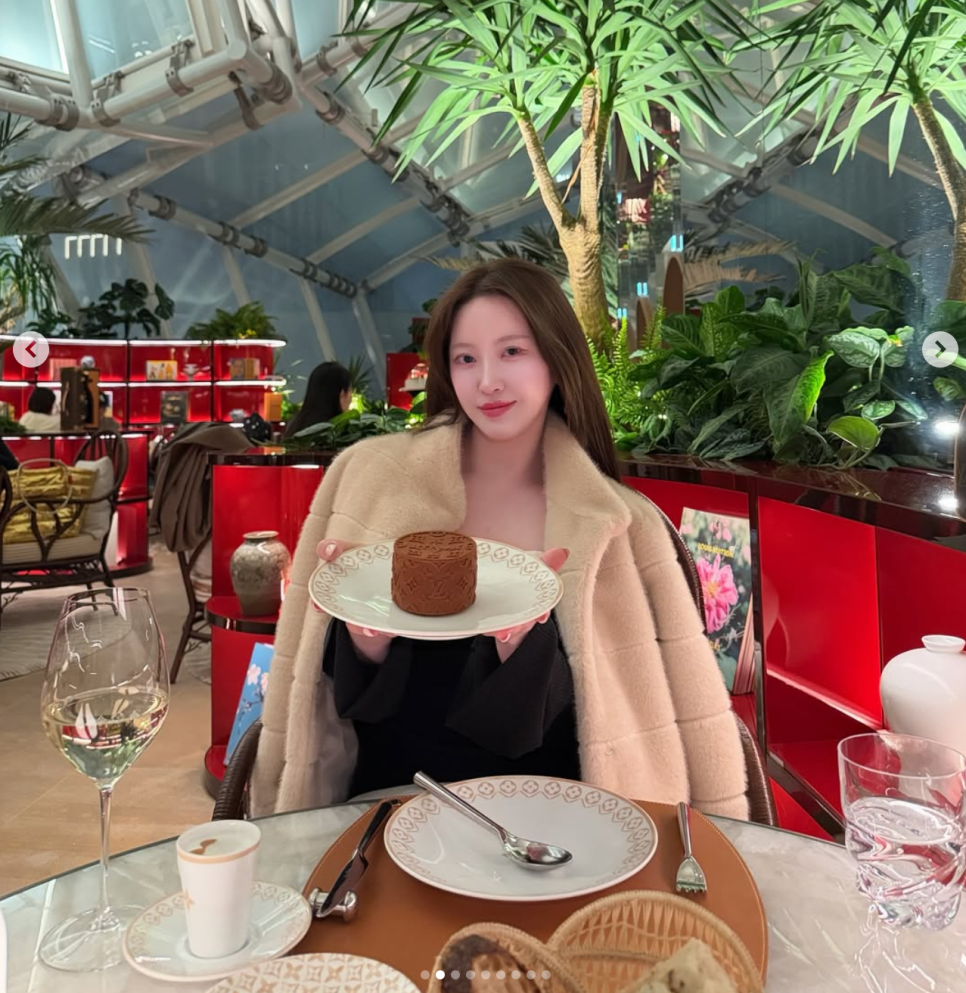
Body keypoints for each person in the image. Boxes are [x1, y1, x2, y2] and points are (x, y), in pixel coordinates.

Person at [252, 259, 748, 819]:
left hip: (556, 821)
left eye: (512, 351)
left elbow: (630, 732)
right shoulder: (369, 478)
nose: (487, 380)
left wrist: (523, 649)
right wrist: (364, 638)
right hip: (388, 808)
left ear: (557, 360)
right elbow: (331, 706)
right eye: (466, 358)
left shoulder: (623, 527)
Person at [282, 362, 353, 439]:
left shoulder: (295, 426)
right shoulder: (342, 435)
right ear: (342, 394)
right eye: (350, 390)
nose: (351, 398)